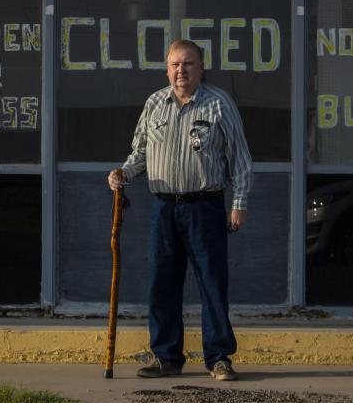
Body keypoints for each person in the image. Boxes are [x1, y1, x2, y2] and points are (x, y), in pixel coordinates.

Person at [107, 39, 253, 382]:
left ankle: (218, 358)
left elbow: (240, 158)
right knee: (163, 283)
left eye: (188, 64)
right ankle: (166, 356)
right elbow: (139, 153)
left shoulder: (219, 104)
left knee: (212, 284)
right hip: (164, 208)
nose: (180, 71)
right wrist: (123, 173)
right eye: (174, 64)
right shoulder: (155, 104)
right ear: (167, 68)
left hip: (206, 207)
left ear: (201, 68)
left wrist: (239, 203)